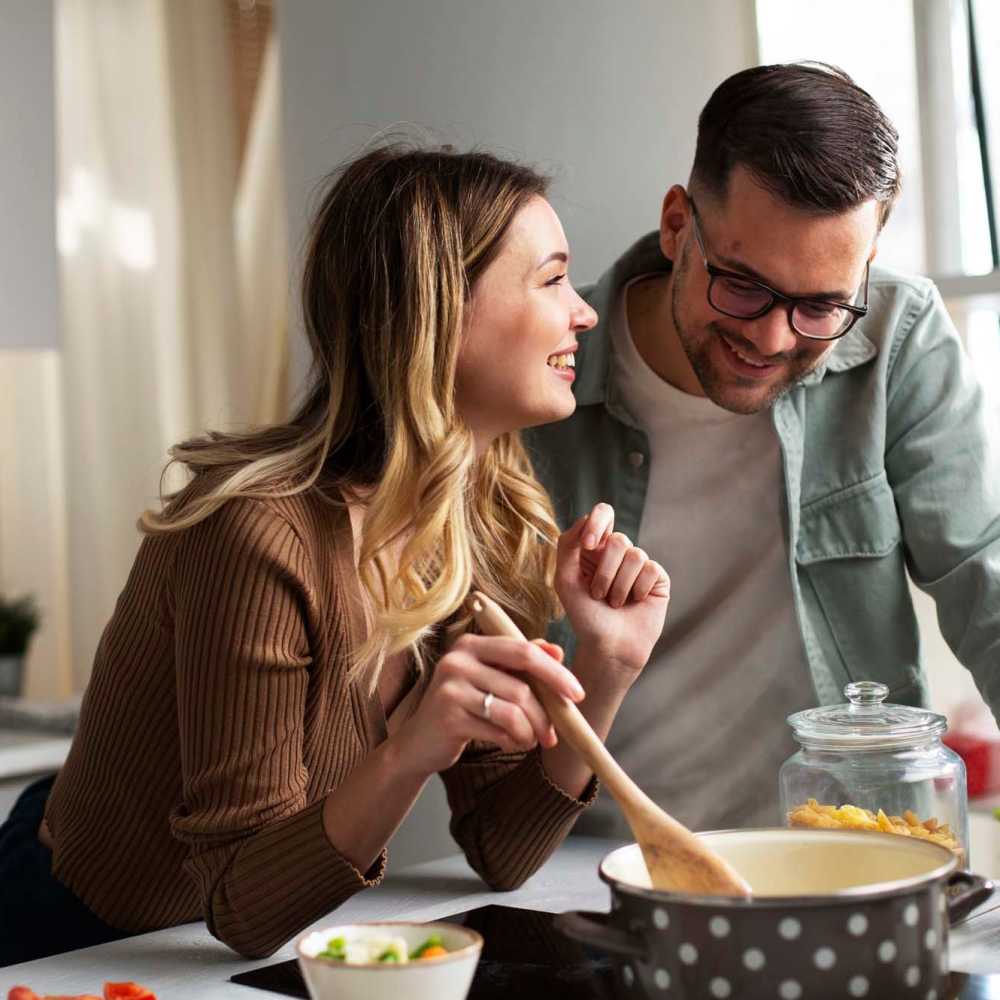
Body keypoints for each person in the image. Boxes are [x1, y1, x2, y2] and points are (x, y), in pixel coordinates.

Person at [0, 145, 670, 966]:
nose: (585, 312)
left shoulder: (479, 518)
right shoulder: (256, 533)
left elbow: (505, 848)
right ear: (437, 313)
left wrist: (605, 668)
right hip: (70, 933)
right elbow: (241, 909)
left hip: (215, 954)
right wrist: (412, 747)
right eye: (553, 279)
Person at [525, 63, 1000, 839]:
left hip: (852, 847)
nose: (772, 338)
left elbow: (988, 576)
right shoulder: (541, 386)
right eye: (742, 286)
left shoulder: (897, 338)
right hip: (605, 861)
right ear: (679, 224)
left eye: (820, 304)